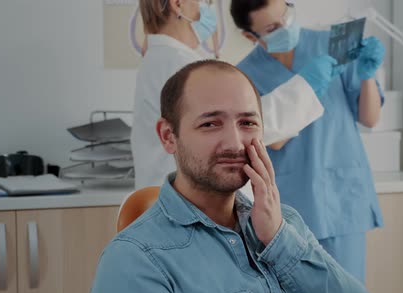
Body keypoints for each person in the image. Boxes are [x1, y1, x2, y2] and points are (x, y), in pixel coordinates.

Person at [88, 60, 378, 293]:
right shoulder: (133, 260)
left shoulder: (284, 223)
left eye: (248, 123)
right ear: (168, 136)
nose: (235, 143)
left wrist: (278, 240)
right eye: (210, 124)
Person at [230, 0, 386, 282]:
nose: (286, 27)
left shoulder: (333, 44)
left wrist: (367, 75)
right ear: (250, 36)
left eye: (286, 16)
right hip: (290, 202)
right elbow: (273, 139)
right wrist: (305, 87)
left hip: (342, 196)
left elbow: (370, 118)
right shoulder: (242, 76)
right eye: (273, 28)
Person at [132, 0, 339, 189]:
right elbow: (241, 124)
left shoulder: (164, 58)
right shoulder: (178, 64)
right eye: (205, 1)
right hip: (189, 201)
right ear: (178, 4)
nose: (208, 9)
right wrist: (306, 87)